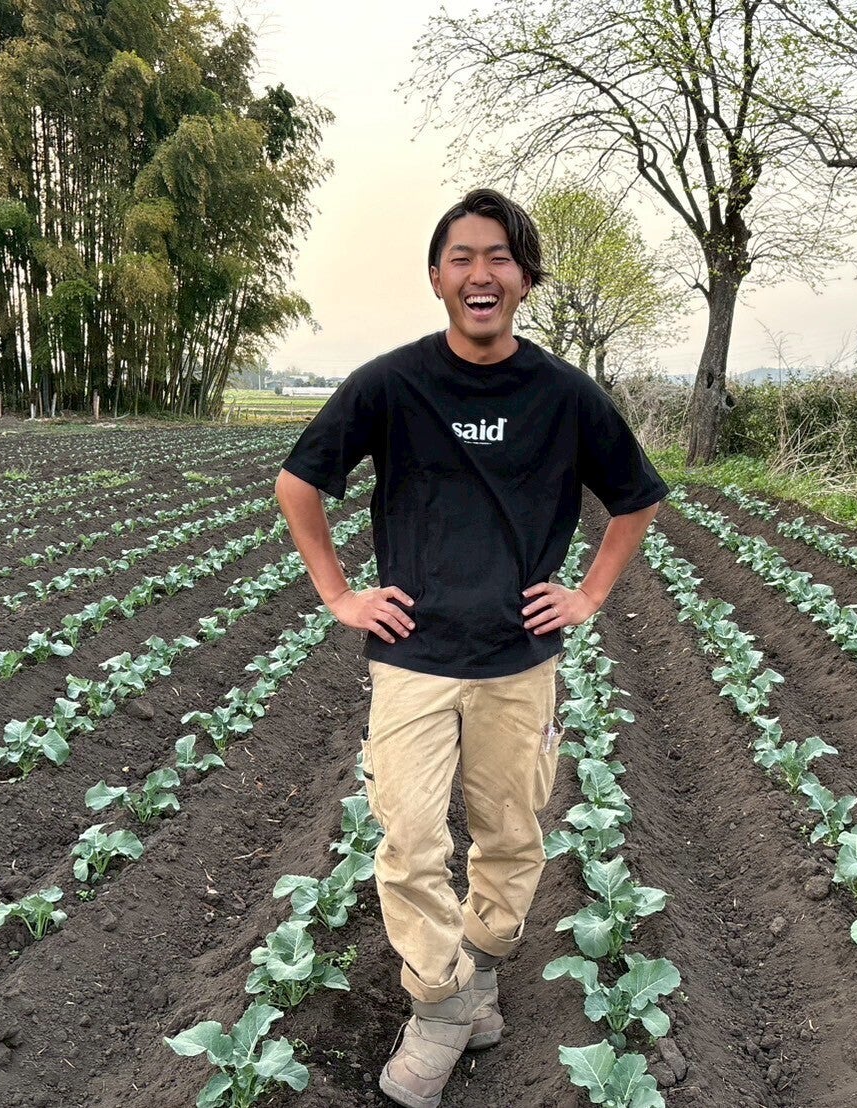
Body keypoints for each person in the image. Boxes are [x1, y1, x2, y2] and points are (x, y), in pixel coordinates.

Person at [274, 187, 666, 1108]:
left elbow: (636, 498)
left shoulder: (564, 394)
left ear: (525, 280)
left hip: (517, 662)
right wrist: (339, 594)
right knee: (408, 842)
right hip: (411, 660)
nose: (479, 274)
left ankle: (481, 965)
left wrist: (588, 595)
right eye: (461, 257)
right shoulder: (391, 383)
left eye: (499, 258)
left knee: (510, 835)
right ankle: (441, 1003)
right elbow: (299, 484)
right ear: (436, 277)